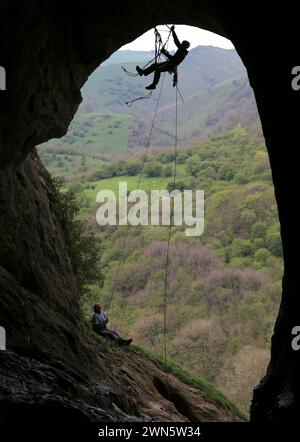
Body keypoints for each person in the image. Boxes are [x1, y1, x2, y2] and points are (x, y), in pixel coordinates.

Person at [136, 26, 190, 90]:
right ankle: (143, 72)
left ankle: (154, 85)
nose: (180, 44)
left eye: (182, 44)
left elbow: (173, 59)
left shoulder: (182, 53)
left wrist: (165, 53)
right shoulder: (181, 49)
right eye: (181, 43)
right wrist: (173, 31)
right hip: (169, 63)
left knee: (158, 70)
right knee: (154, 65)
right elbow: (176, 40)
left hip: (171, 65)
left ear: (185, 46)